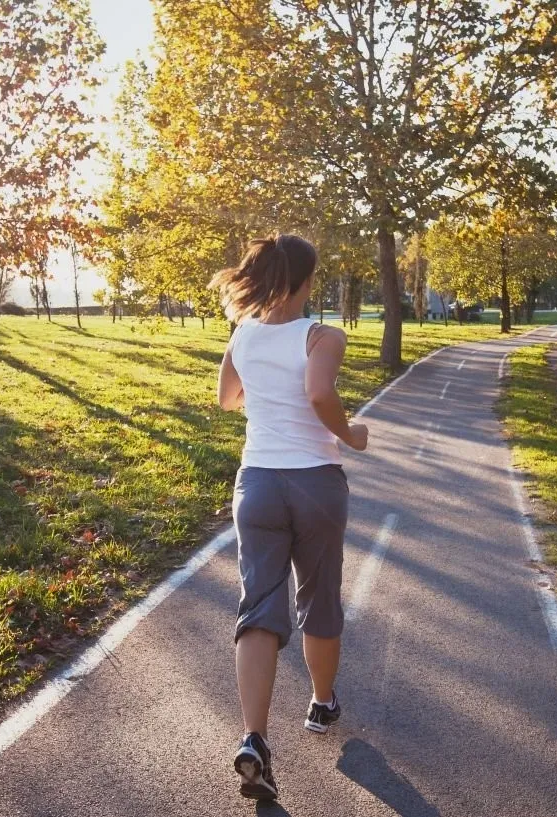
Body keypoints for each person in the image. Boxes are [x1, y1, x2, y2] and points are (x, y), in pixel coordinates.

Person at [210, 234, 369, 801]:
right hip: (316, 483)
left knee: (259, 607)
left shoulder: (243, 334)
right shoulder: (323, 336)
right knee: (319, 597)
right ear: (305, 281)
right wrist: (351, 433)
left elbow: (228, 398)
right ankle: (321, 705)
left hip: (257, 484)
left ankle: (254, 739)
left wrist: (264, 393)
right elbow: (320, 393)